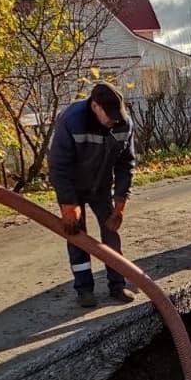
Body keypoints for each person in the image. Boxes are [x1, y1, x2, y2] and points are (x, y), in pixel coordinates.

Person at [49, 81, 136, 309]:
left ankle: (117, 284)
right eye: (109, 115)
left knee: (111, 232)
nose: (113, 120)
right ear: (95, 106)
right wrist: (69, 205)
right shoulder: (72, 120)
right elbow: (59, 166)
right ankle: (84, 290)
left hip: (101, 186)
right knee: (77, 235)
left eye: (117, 115)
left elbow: (126, 164)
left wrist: (120, 202)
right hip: (73, 188)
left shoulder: (122, 124)